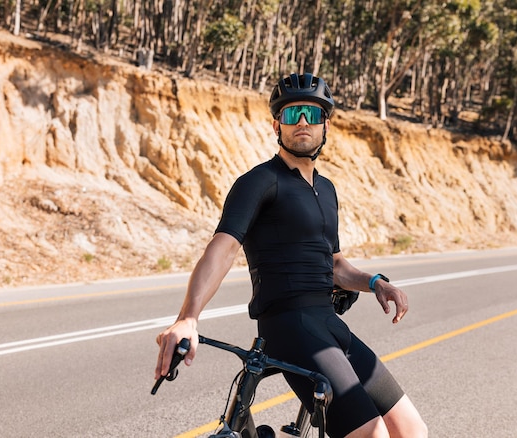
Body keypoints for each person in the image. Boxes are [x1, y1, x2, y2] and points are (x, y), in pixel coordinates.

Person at [155, 73, 428, 437]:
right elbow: (222, 249)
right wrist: (188, 317)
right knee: (371, 434)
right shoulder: (260, 181)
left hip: (329, 324)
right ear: (276, 125)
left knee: (412, 430)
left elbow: (334, 264)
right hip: (288, 325)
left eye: (312, 115)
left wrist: (375, 283)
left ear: (325, 125)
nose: (302, 122)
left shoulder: (326, 190)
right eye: (292, 114)